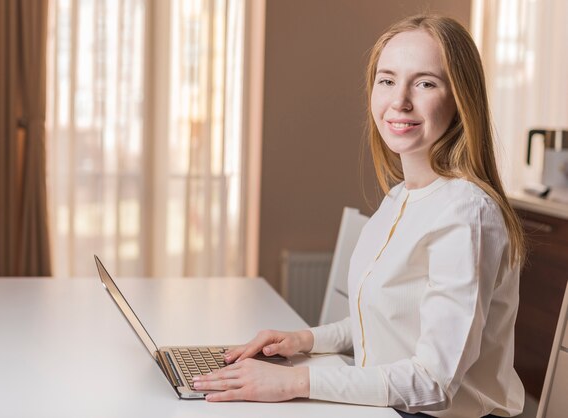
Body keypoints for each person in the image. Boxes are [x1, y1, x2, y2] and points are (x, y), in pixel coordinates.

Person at [192, 14, 526, 418]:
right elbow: (388, 320)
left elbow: (433, 383)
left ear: (461, 98)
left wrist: (294, 382)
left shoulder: (467, 212)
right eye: (387, 80)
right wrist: (302, 341)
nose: (399, 100)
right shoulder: (401, 197)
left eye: (425, 83)